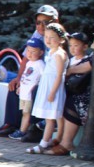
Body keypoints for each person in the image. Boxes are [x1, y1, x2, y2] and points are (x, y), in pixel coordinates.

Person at [0, 4, 60, 139]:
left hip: (51, 80)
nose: (41, 26)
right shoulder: (37, 34)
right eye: (38, 22)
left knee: (36, 90)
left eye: (46, 22)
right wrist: (19, 78)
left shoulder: (59, 37)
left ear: (55, 21)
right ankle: (11, 124)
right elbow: (26, 57)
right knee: (15, 86)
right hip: (36, 76)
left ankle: (34, 130)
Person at [27, 23, 68, 154]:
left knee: (50, 117)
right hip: (47, 86)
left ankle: (43, 144)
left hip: (53, 88)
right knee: (51, 116)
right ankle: (53, 139)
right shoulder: (51, 52)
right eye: (46, 37)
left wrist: (52, 92)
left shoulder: (59, 54)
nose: (48, 40)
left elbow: (60, 75)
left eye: (52, 37)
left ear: (61, 39)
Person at [51, 32, 92, 156]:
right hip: (66, 90)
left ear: (85, 46)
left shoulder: (86, 61)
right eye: (70, 45)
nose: (72, 48)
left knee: (70, 104)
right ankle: (59, 136)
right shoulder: (69, 60)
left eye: (76, 45)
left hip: (78, 91)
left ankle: (66, 142)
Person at [8, 37, 46, 141]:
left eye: (33, 51)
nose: (29, 53)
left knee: (26, 113)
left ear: (41, 52)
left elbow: (44, 78)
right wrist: (20, 87)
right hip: (24, 94)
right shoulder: (29, 63)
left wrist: (37, 86)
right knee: (24, 113)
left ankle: (22, 131)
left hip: (30, 95)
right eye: (28, 50)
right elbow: (25, 77)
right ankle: (23, 129)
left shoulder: (40, 64)